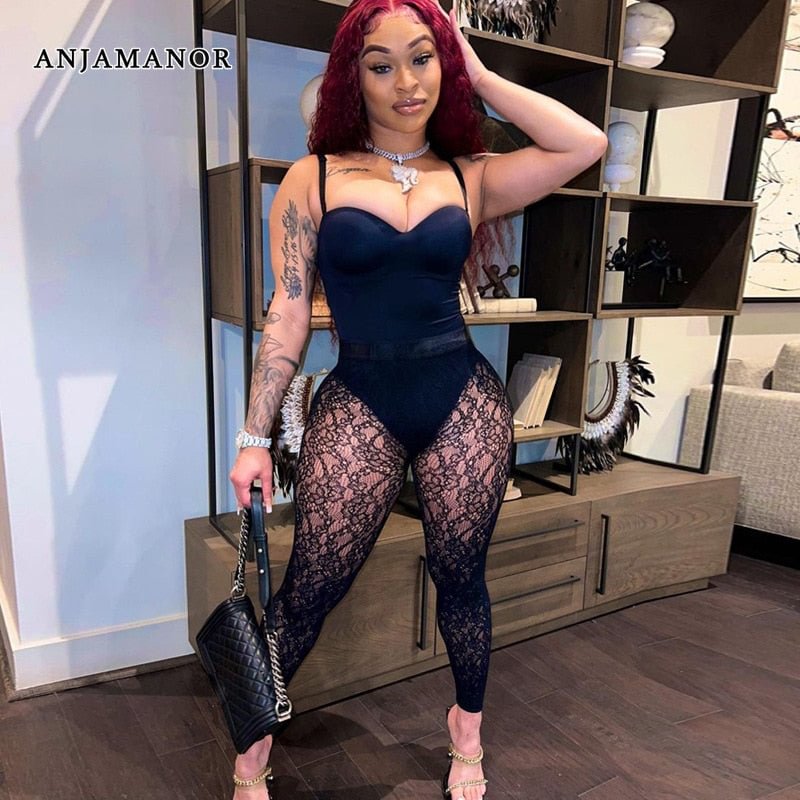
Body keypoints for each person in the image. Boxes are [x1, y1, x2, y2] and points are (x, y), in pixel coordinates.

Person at [227, 1, 607, 797]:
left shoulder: (471, 175)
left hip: (460, 397)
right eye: (381, 63)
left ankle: (467, 734)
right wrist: (253, 437)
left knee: (461, 577)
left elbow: (584, 144)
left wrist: (480, 72)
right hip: (360, 396)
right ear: (352, 77)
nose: (406, 81)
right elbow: (287, 313)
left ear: (445, 65)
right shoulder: (313, 177)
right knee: (311, 587)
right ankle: (252, 747)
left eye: (423, 58)